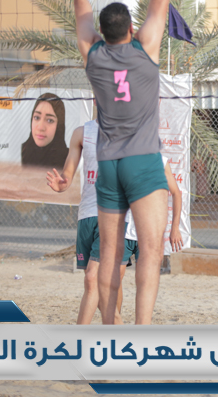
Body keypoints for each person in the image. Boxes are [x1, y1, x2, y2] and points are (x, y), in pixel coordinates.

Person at [48, 0, 174, 324]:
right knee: (150, 251)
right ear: (132, 29)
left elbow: (79, 1)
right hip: (142, 161)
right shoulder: (145, 48)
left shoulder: (93, 55)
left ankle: (108, 331)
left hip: (108, 164)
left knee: (109, 255)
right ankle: (141, 331)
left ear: (101, 32)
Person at [46, 120, 137, 324]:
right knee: (105, 282)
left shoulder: (130, 130)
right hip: (87, 214)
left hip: (115, 215)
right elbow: (68, 173)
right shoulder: (82, 132)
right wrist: (62, 184)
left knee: (93, 278)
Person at [22, 93, 70, 169]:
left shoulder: (70, 159)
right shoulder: (22, 152)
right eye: (37, 118)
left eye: (50, 120)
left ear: (59, 126)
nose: (41, 127)